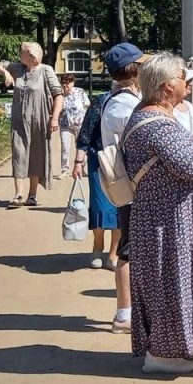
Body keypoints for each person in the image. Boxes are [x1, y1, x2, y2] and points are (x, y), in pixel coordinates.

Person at [122, 52, 193, 374]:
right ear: (168, 85)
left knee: (177, 282)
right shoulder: (156, 123)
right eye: (184, 78)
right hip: (168, 222)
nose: (188, 84)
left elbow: (179, 156)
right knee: (172, 283)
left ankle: (178, 347)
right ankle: (163, 354)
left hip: (169, 218)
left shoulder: (153, 117)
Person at [100, 42, 150, 333]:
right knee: (129, 249)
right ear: (133, 71)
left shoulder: (121, 98)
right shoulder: (124, 104)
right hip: (131, 184)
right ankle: (124, 312)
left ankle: (129, 310)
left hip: (131, 182)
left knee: (131, 247)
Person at [0, 42, 64, 207]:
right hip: (19, 122)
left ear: (31, 56)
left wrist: (55, 118)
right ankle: (18, 195)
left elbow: (58, 95)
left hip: (40, 121)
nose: (19, 56)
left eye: (21, 53)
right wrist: (5, 73)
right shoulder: (18, 69)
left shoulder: (45, 71)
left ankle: (32, 195)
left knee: (36, 157)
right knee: (19, 154)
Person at [73, 91, 119, 270]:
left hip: (125, 162)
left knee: (121, 207)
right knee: (100, 205)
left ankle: (114, 253)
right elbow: (86, 132)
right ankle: (98, 246)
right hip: (99, 160)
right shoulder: (101, 101)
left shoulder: (137, 101)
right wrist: (78, 161)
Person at [58, 74, 89, 178]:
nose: (66, 85)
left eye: (68, 82)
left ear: (73, 83)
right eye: (64, 82)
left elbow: (87, 104)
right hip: (65, 124)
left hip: (80, 124)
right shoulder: (59, 94)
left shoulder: (80, 92)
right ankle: (65, 170)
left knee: (81, 146)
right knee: (65, 147)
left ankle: (82, 168)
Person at [172, 69, 193, 135]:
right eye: (187, 81)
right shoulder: (167, 109)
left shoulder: (189, 105)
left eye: (191, 80)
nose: (191, 84)